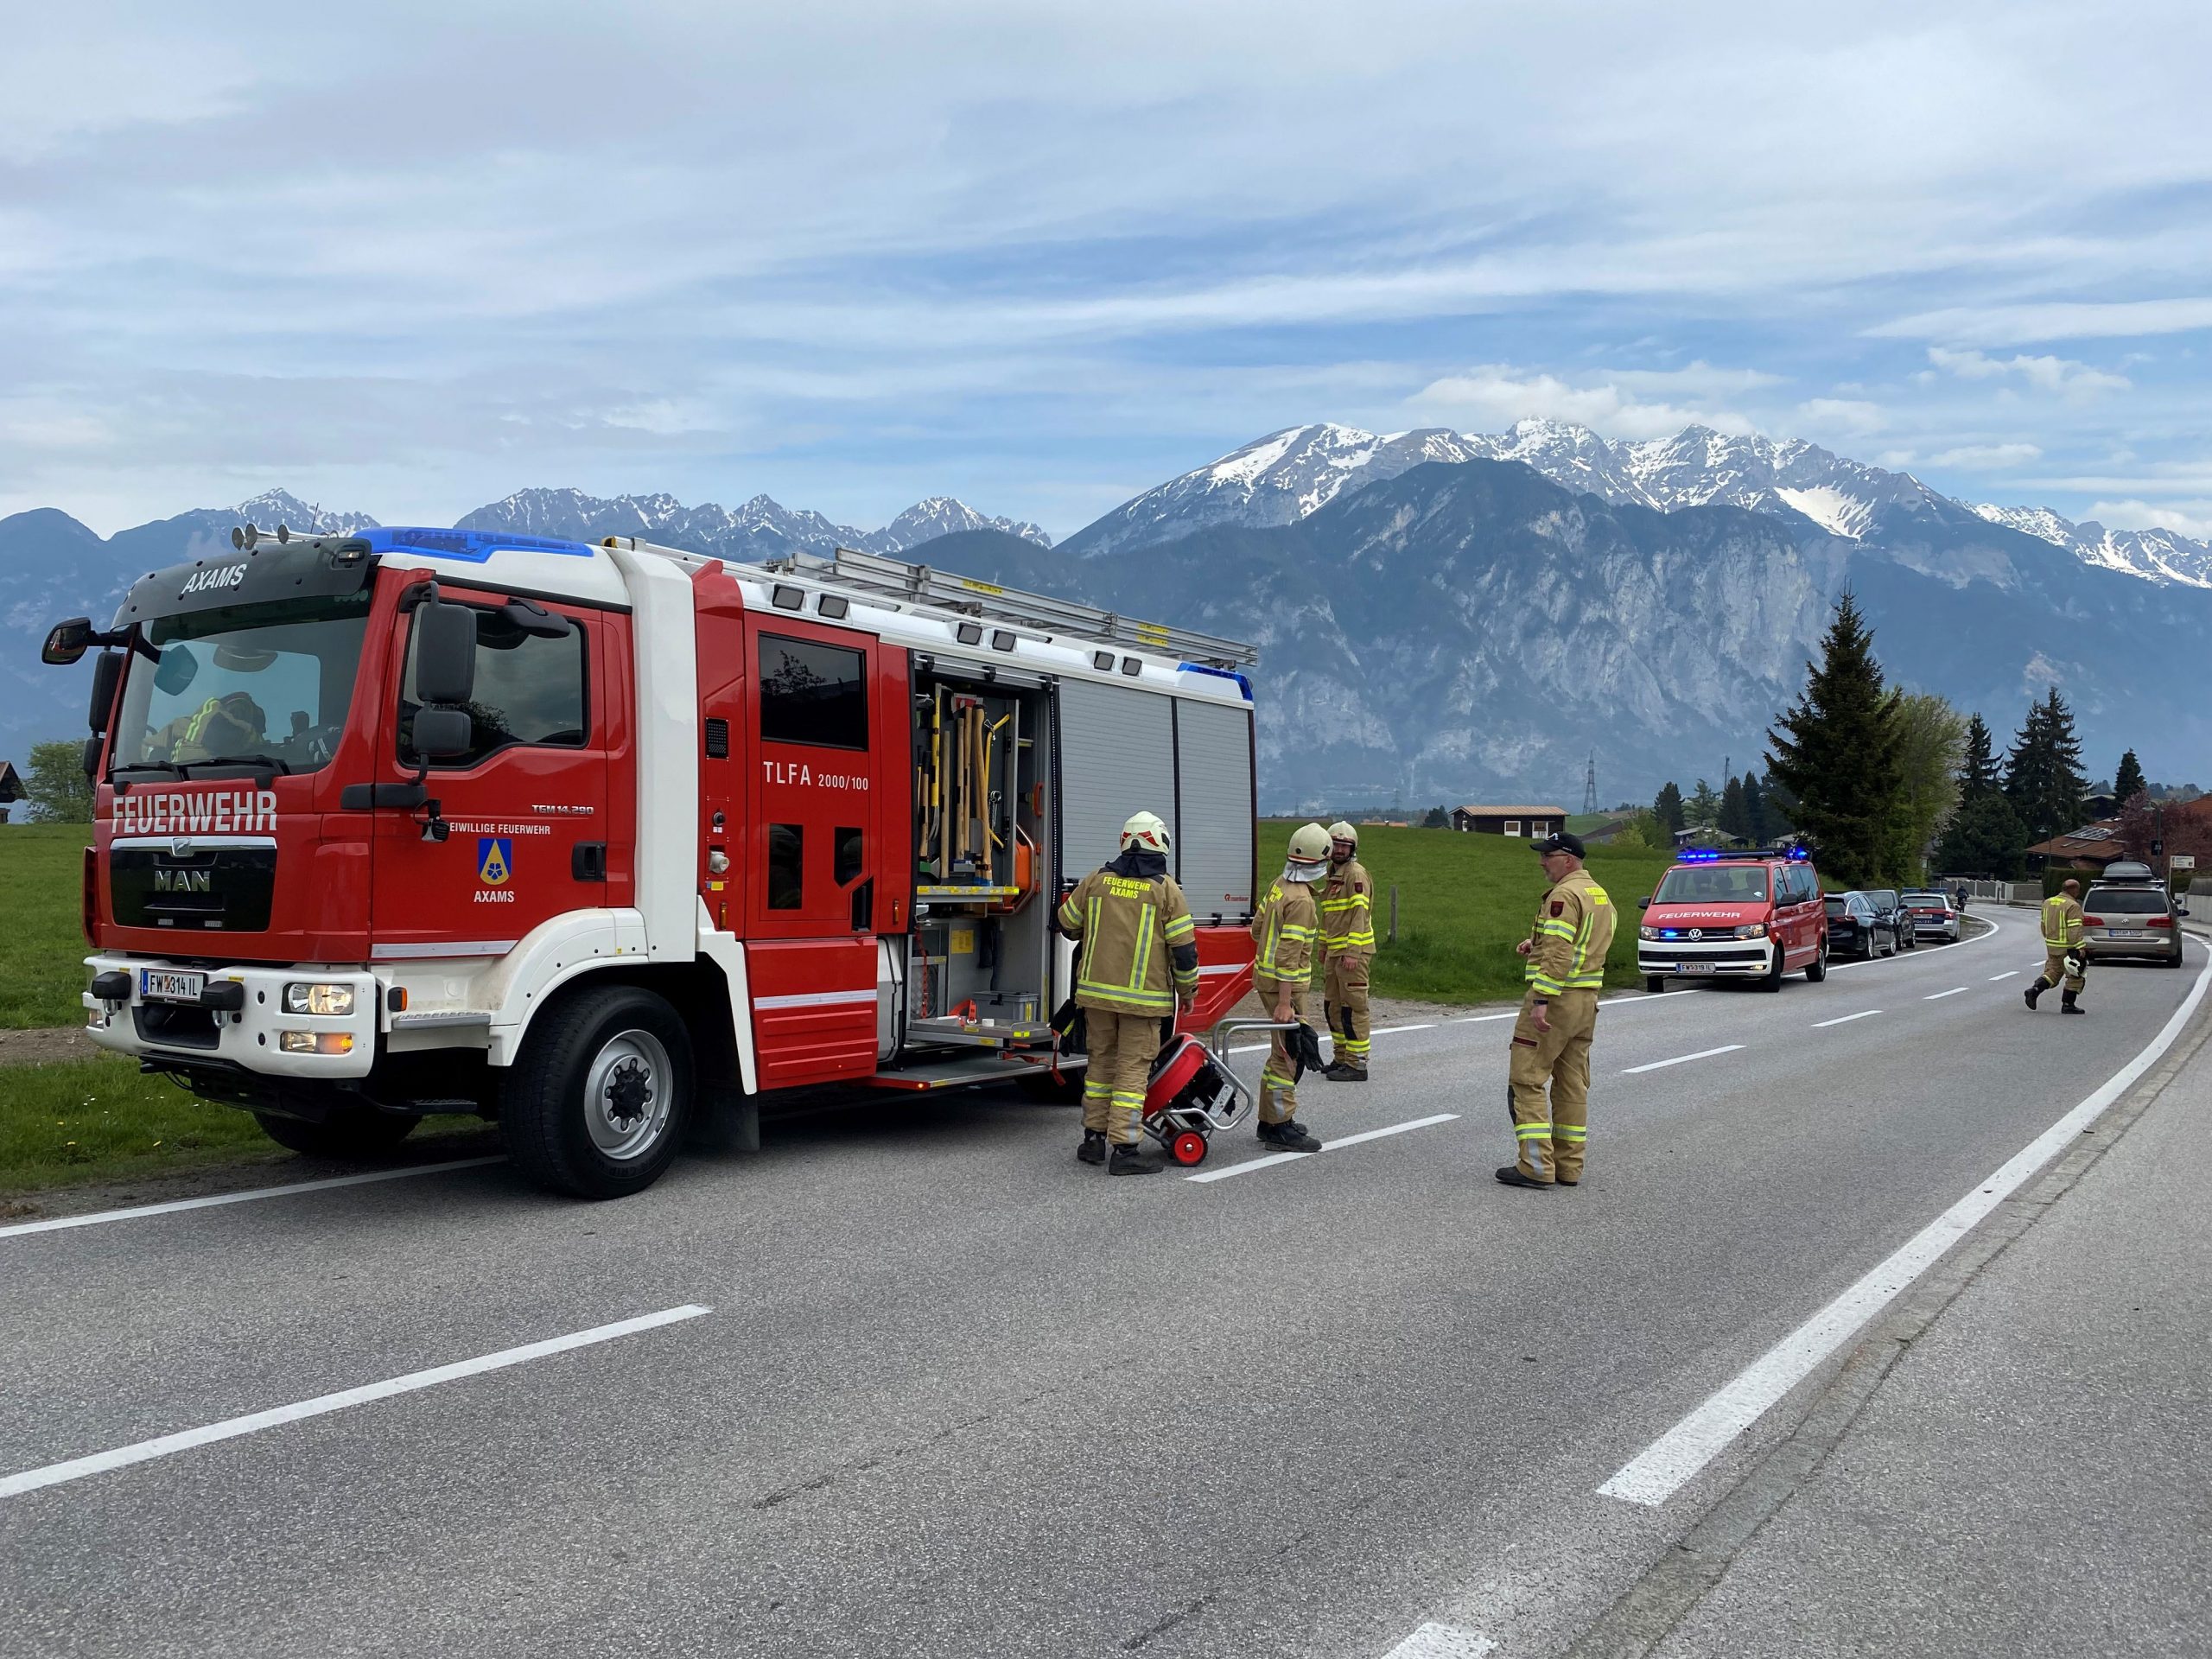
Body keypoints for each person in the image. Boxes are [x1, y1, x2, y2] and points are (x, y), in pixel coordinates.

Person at [1056, 811, 1201, 1173]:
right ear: (1161, 844)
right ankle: (1125, 1150)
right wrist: (1188, 990)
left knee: (1100, 1067)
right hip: (1143, 1002)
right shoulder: (1166, 890)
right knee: (1132, 1074)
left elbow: (1066, 923)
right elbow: (1184, 951)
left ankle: (1093, 1140)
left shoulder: (1096, 880)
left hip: (1096, 998)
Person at [1500, 830, 1616, 1190]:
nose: (1541, 862)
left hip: (1557, 1001)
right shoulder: (1598, 893)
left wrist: (1541, 1000)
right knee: (1572, 1085)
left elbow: (1561, 951)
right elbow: (1583, 943)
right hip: (1586, 1002)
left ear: (1568, 860)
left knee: (1527, 1079)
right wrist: (1535, 943)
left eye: (1547, 856)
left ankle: (1535, 1166)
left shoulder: (1564, 895)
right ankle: (1568, 1167)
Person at [1250, 824, 1330, 1150]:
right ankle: (1280, 1127)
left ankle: (1270, 1120)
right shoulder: (1302, 901)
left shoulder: (1279, 885)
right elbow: (1289, 955)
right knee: (1288, 1055)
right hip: (1287, 988)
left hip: (1266, 980)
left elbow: (1257, 930)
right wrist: (1286, 1002)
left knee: (1279, 1052)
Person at [1319, 820, 1376, 1082]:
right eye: (1336, 844)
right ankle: (1341, 1058)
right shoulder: (1332, 876)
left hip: (1353, 954)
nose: (1340, 849)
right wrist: (1323, 947)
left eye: (1345, 845)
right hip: (1335, 953)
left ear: (1352, 848)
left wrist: (1353, 951)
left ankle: (1357, 1064)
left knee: (1353, 1009)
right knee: (1332, 1007)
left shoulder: (1356, 875)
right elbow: (1328, 917)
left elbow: (1359, 915)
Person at [150, 690, 268, 765]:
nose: (236, 717)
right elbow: (215, 724)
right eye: (234, 712)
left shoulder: (266, 761)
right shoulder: (183, 725)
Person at [2025, 879, 2088, 1014]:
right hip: (2069, 948)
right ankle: (2068, 1004)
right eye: (2078, 890)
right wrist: (2079, 947)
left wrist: (2050, 940)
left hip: (2052, 946)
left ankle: (2034, 990)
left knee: (2052, 973)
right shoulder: (2073, 905)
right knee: (2076, 975)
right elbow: (2074, 929)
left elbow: (2043, 925)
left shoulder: (2048, 902)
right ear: (2074, 890)